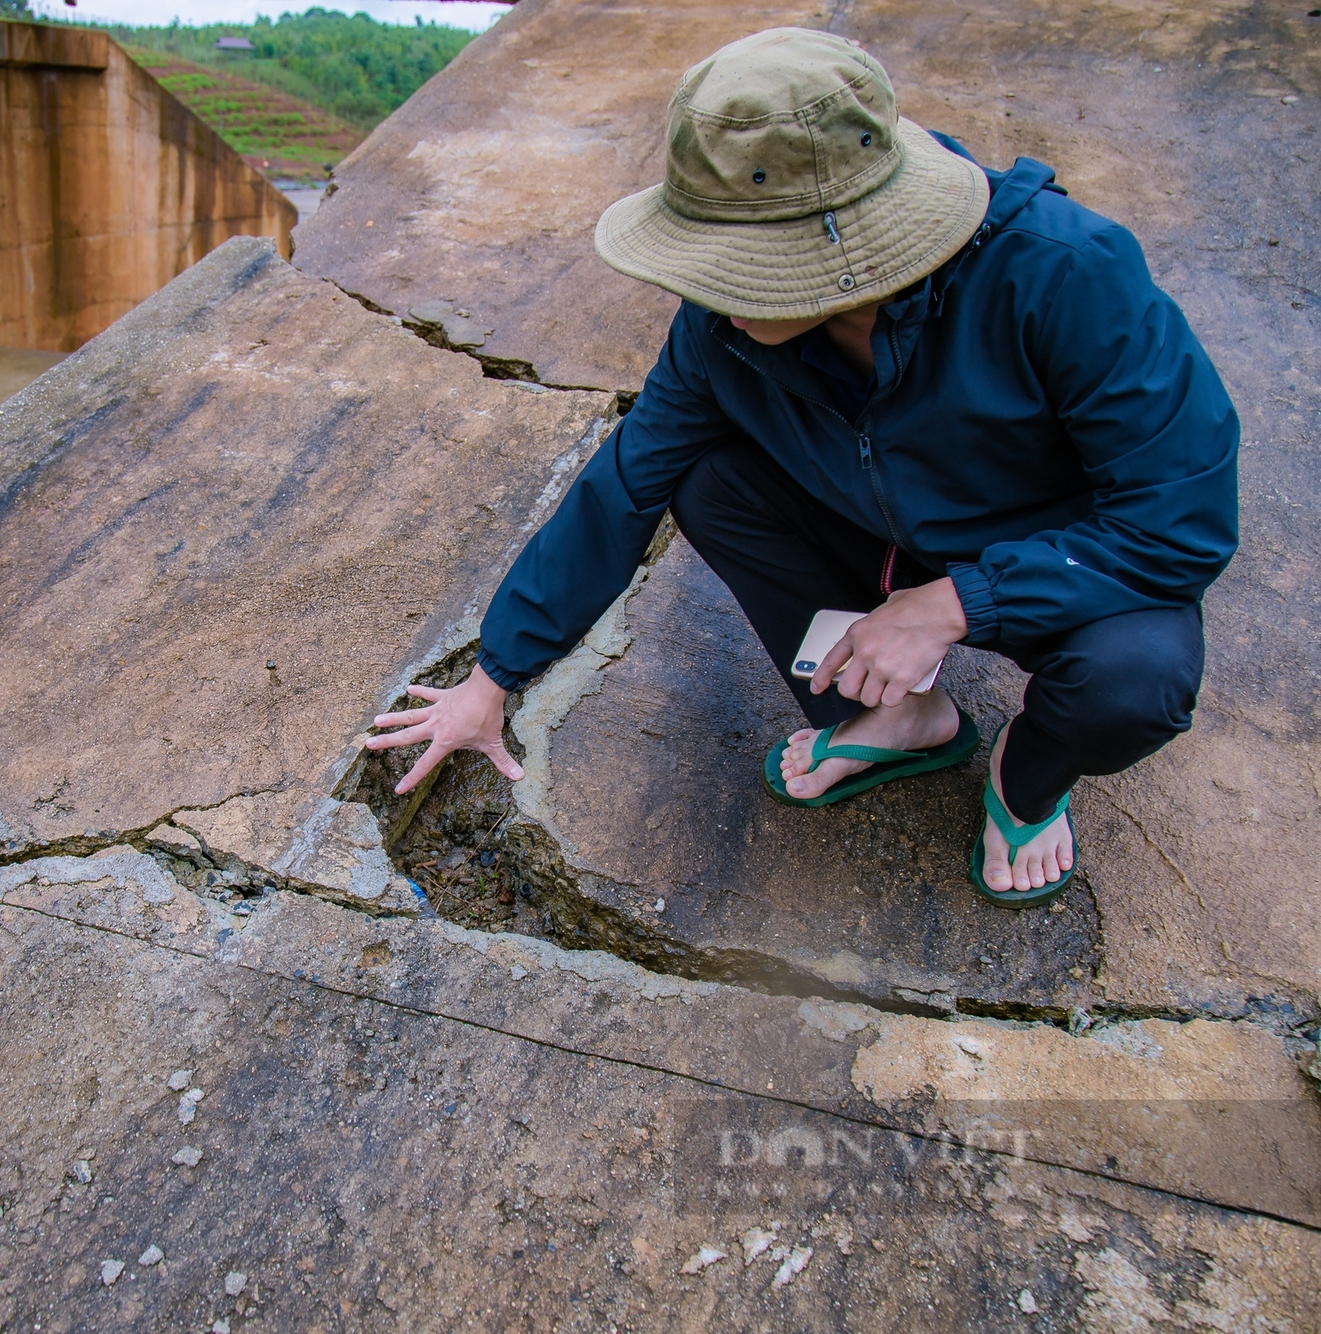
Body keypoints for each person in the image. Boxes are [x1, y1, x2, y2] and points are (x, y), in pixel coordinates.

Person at [364, 27, 1238, 907]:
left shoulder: (1063, 274)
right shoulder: (720, 326)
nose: (708, 290)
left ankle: (1025, 776)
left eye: (745, 264)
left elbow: (1177, 521)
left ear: (849, 245)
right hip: (883, 538)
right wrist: (493, 679)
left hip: (1055, 558)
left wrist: (953, 606)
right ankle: (901, 718)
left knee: (1137, 684)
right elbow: (626, 483)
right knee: (704, 479)